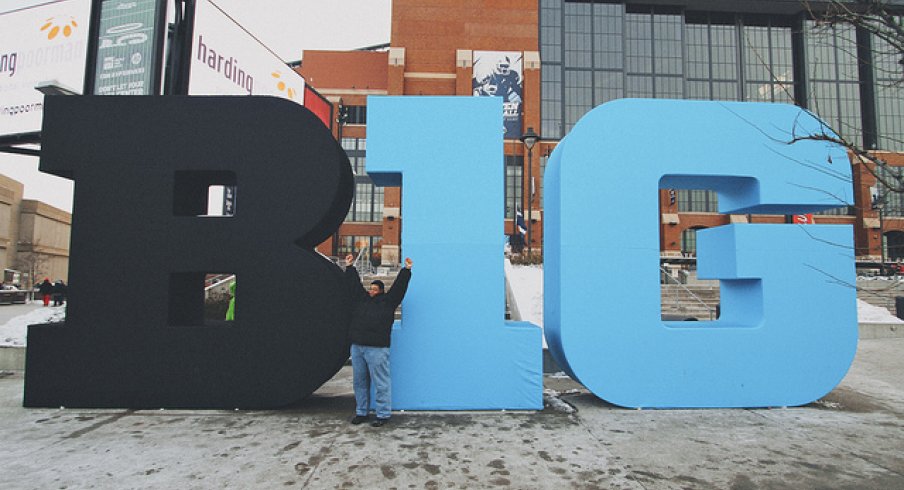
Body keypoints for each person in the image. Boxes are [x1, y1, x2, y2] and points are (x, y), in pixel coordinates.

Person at [344, 253, 412, 427]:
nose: (371, 291)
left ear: (381, 291)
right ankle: (361, 412)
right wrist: (350, 267)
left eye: (375, 289)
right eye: (371, 288)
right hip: (358, 347)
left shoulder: (388, 302)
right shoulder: (362, 300)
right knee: (359, 382)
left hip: (377, 349)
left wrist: (406, 270)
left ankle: (382, 414)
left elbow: (398, 288)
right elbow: (353, 286)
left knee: (381, 382)